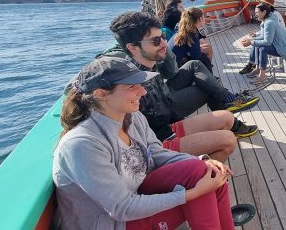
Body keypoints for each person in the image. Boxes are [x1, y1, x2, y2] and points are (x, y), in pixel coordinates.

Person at [54, 57, 236, 229]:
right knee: (203, 184)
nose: (143, 91)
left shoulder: (132, 117)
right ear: (101, 94)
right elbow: (121, 208)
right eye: (132, 86)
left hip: (138, 194)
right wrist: (191, 194)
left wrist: (201, 160)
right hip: (115, 222)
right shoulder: (82, 144)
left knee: (211, 174)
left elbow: (156, 153)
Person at [104, 12, 259, 151]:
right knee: (208, 86)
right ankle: (231, 112)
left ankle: (228, 101)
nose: (164, 43)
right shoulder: (133, 80)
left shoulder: (150, 59)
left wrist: (164, 50)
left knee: (196, 67)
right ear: (132, 47)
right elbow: (158, 118)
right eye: (156, 40)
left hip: (165, 92)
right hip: (165, 115)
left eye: (163, 37)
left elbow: (171, 72)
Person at [239, 3, 286, 84]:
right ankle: (257, 69)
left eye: (257, 12)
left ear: (264, 12)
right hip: (285, 45)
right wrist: (251, 40)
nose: (255, 15)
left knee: (262, 49)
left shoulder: (269, 23)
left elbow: (267, 42)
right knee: (257, 44)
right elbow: (263, 37)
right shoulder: (268, 19)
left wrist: (251, 42)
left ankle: (262, 76)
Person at [171, 8, 214, 73]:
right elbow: (196, 57)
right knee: (205, 58)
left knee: (207, 50)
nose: (204, 19)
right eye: (203, 17)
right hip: (178, 68)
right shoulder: (192, 33)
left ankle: (208, 75)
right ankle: (209, 78)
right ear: (200, 18)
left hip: (176, 62)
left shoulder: (187, 29)